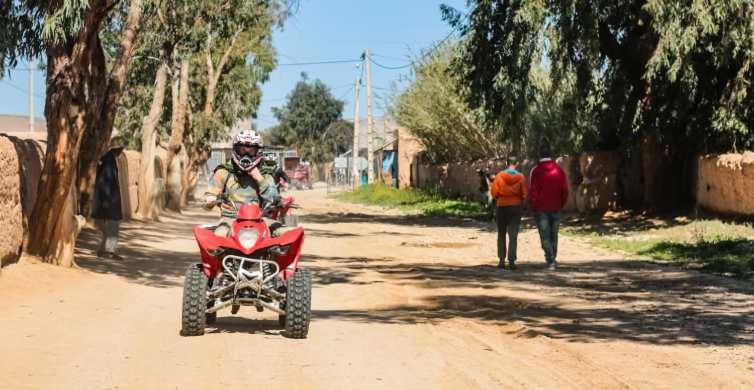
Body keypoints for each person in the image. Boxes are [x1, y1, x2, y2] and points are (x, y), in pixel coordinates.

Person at [204, 130, 284, 237]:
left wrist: (259, 178)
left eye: (251, 151)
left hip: (261, 220)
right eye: (242, 150)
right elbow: (209, 197)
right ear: (236, 150)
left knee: (285, 235)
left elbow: (273, 198)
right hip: (230, 219)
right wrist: (210, 200)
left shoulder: (266, 174)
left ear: (258, 151)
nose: (246, 155)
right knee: (219, 235)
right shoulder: (224, 171)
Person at [529, 148, 569, 270]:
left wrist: (534, 206)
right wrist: (561, 203)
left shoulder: (535, 171)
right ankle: (553, 258)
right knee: (554, 233)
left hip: (541, 209)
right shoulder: (559, 170)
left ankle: (550, 259)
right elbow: (565, 190)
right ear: (551, 156)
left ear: (539, 156)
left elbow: (533, 191)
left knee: (545, 235)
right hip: (556, 207)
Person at [490, 156, 528, 270]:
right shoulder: (520, 177)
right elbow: (524, 193)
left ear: (506, 163)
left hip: (502, 207)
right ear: (516, 164)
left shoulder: (499, 176)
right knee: (513, 235)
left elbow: (493, 192)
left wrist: (499, 198)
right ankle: (511, 261)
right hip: (515, 208)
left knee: (501, 233)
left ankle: (501, 260)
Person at [92, 135, 126, 260]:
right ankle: (109, 252)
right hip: (109, 200)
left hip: (108, 200)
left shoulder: (108, 159)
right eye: (121, 148)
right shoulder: (108, 161)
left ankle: (102, 250)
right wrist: (106, 200)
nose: (122, 151)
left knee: (109, 227)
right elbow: (105, 181)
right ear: (118, 149)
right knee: (113, 225)